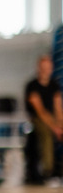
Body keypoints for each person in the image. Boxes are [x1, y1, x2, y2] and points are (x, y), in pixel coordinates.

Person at [24, 54, 63, 185]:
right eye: (43, 67)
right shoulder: (32, 86)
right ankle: (48, 172)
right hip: (37, 119)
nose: (46, 70)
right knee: (46, 133)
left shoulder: (54, 86)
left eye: (48, 68)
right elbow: (40, 111)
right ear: (38, 68)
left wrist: (60, 124)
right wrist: (54, 128)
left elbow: (58, 109)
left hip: (52, 119)